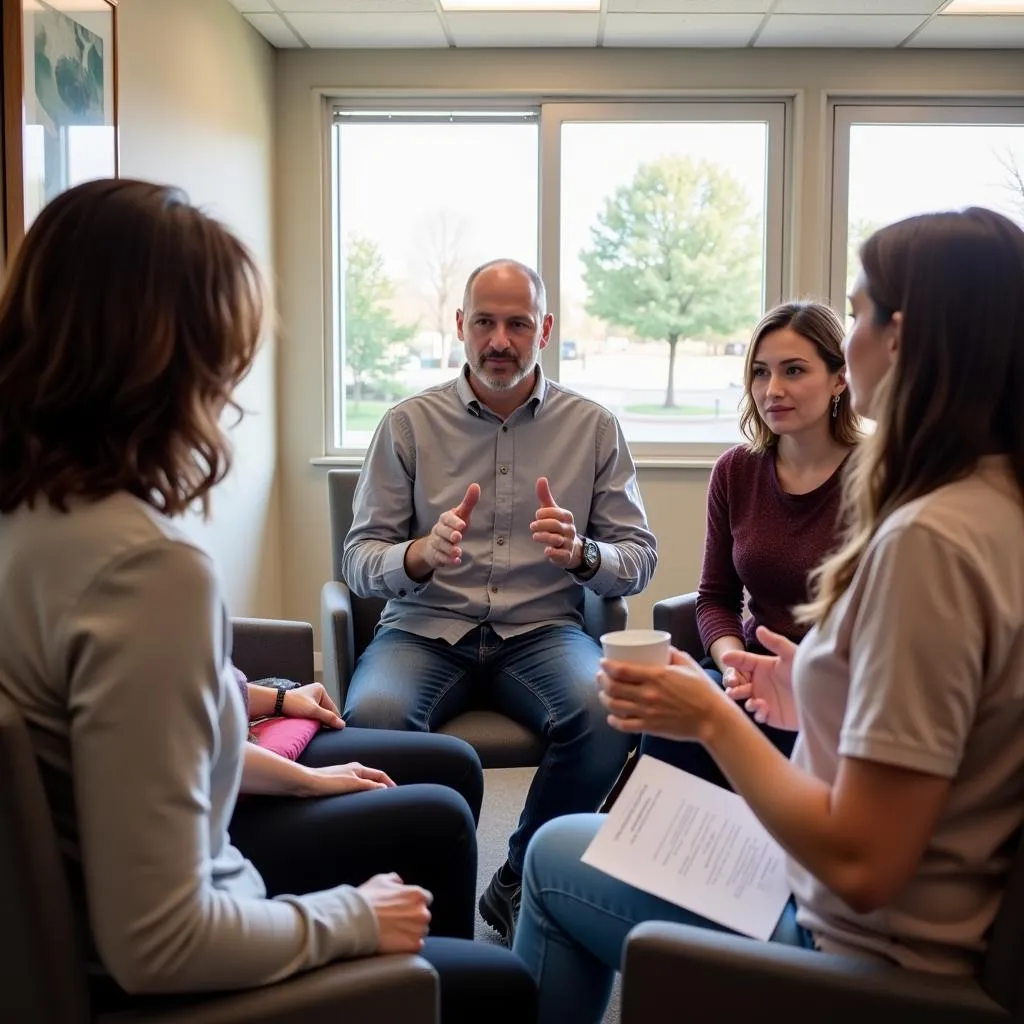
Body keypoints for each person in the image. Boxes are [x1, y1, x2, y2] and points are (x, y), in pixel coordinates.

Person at [0, 179, 536, 1023]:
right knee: (501, 988)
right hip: (172, 962)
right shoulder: (145, 571)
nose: (230, 386)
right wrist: (353, 920)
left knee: (435, 803)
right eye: (224, 352)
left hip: (139, 879)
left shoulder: (35, 519)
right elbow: (159, 942)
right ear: (164, 357)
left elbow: (140, 746)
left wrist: (300, 781)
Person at [512, 206, 1024, 1024]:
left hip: (858, 950)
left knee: (551, 855)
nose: (850, 342)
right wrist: (800, 689)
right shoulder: (993, 505)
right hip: (909, 908)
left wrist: (716, 715)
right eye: (762, 372)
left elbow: (861, 863)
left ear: (904, 336)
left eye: (857, 315)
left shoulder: (931, 540)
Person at [341, 258, 658, 944]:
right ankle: (415, 888)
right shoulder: (407, 425)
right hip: (424, 627)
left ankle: (518, 877)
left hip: (542, 629)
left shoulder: (594, 427)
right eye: (484, 322)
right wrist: (416, 556)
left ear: (544, 330)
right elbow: (358, 562)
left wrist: (584, 555)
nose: (499, 341)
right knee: (373, 716)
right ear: (460, 326)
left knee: (609, 714)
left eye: (518, 324)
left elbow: (640, 561)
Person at [639, 301, 860, 790]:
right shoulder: (736, 471)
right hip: (746, 670)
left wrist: (805, 681)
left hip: (835, 688)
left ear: (839, 379)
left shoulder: (880, 477)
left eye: (794, 371)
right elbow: (715, 596)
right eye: (760, 373)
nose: (772, 390)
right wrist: (732, 664)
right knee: (673, 712)